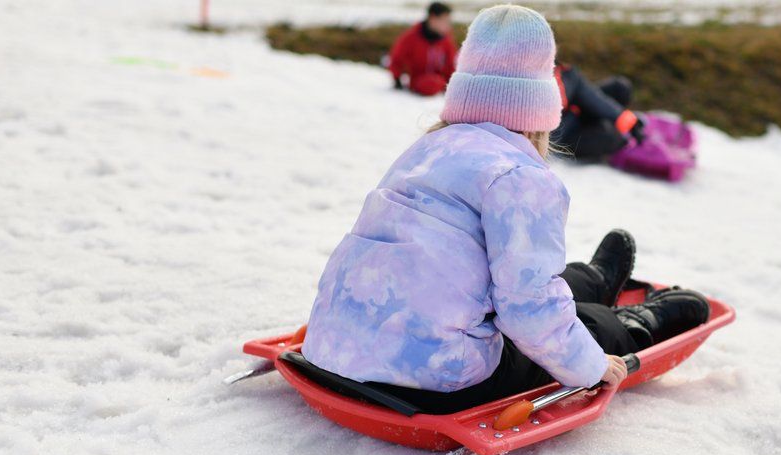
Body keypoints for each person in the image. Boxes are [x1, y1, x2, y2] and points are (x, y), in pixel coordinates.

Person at [302, 4, 709, 415]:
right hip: (436, 376)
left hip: (337, 346)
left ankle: (592, 280)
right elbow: (527, 308)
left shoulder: (425, 151)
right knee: (545, 328)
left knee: (524, 281)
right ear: (538, 109)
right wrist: (589, 365)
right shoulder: (517, 175)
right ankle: (630, 324)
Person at [553, 63, 646, 161]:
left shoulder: (560, 68)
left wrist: (622, 117)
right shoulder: (538, 76)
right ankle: (622, 143)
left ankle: (622, 128)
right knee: (610, 136)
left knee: (620, 88)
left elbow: (585, 91)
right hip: (563, 133)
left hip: (576, 109)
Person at [387, 2, 457, 96]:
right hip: (418, 83)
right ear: (433, 18)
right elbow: (396, 58)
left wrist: (453, 84)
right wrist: (397, 79)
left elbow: (451, 64)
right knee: (430, 83)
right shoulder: (411, 37)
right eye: (444, 21)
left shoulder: (446, 41)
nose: (448, 25)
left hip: (441, 84)